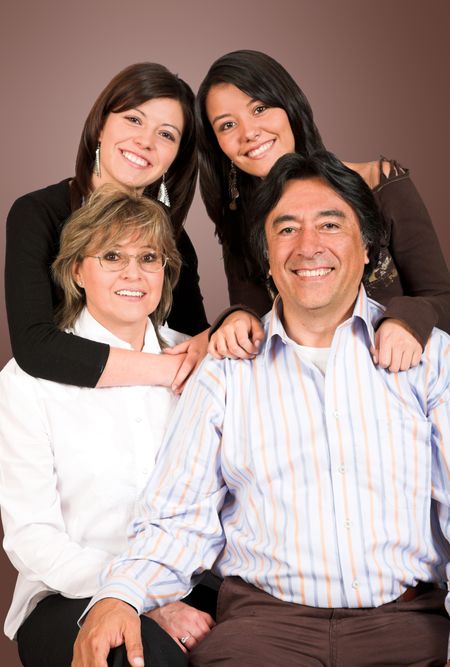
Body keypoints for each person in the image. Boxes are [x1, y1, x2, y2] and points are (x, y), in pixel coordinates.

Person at [72, 153, 450, 667]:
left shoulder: (431, 359)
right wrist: (119, 595)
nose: (308, 246)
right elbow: (180, 517)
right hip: (265, 630)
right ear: (267, 258)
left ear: (367, 249)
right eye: (286, 228)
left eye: (331, 224)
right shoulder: (226, 369)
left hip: (407, 625)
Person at [0, 189, 216, 667]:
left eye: (148, 257)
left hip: (197, 584)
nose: (133, 274)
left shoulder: (203, 366)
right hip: (71, 592)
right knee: (136, 657)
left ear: (166, 271)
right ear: (76, 270)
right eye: (112, 256)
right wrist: (139, 596)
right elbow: (32, 535)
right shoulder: (27, 381)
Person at [197, 50, 450, 373]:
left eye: (259, 109)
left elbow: (441, 297)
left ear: (289, 107)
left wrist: (406, 319)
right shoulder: (240, 219)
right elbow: (256, 320)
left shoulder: (380, 184)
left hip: (397, 380)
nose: (248, 133)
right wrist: (236, 318)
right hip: (299, 394)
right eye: (227, 125)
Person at [5, 62, 209, 393]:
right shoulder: (37, 213)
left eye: (166, 134)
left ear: (176, 156)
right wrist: (168, 370)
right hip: (60, 404)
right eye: (133, 119)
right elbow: (35, 346)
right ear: (101, 125)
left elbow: (194, 338)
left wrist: (232, 322)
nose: (145, 141)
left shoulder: (172, 238)